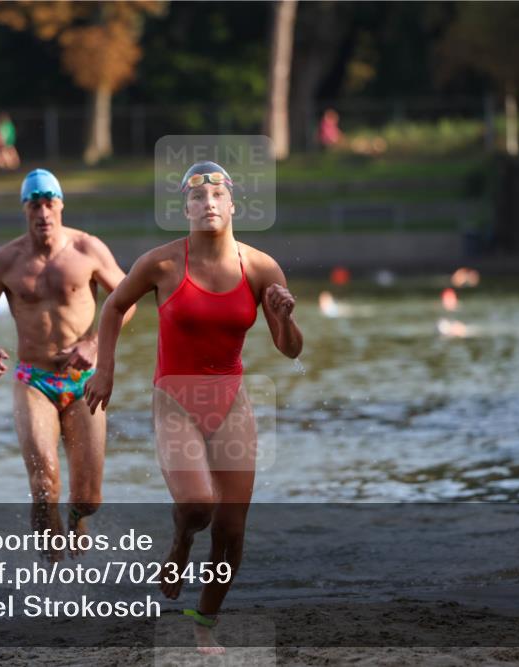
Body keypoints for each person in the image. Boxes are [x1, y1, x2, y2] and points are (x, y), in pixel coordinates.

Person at [84, 161, 303, 654]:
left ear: (232, 205)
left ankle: (204, 620)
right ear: (184, 208)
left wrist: (286, 319)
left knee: (232, 528)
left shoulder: (262, 268)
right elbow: (114, 306)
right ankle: (181, 541)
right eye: (197, 198)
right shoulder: (160, 264)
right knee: (199, 506)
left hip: (231, 399)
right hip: (174, 400)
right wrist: (105, 369)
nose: (208, 204)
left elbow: (289, 349)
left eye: (217, 196)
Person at [0, 168, 134, 561]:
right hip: (33, 380)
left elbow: (125, 301)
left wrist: (94, 344)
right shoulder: (4, 260)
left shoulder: (87, 249)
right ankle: (51, 583)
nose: (42, 212)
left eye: (49, 203)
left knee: (89, 499)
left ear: (60, 204)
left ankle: (78, 519)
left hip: (83, 380)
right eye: (34, 204)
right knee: (44, 486)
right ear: (25, 209)